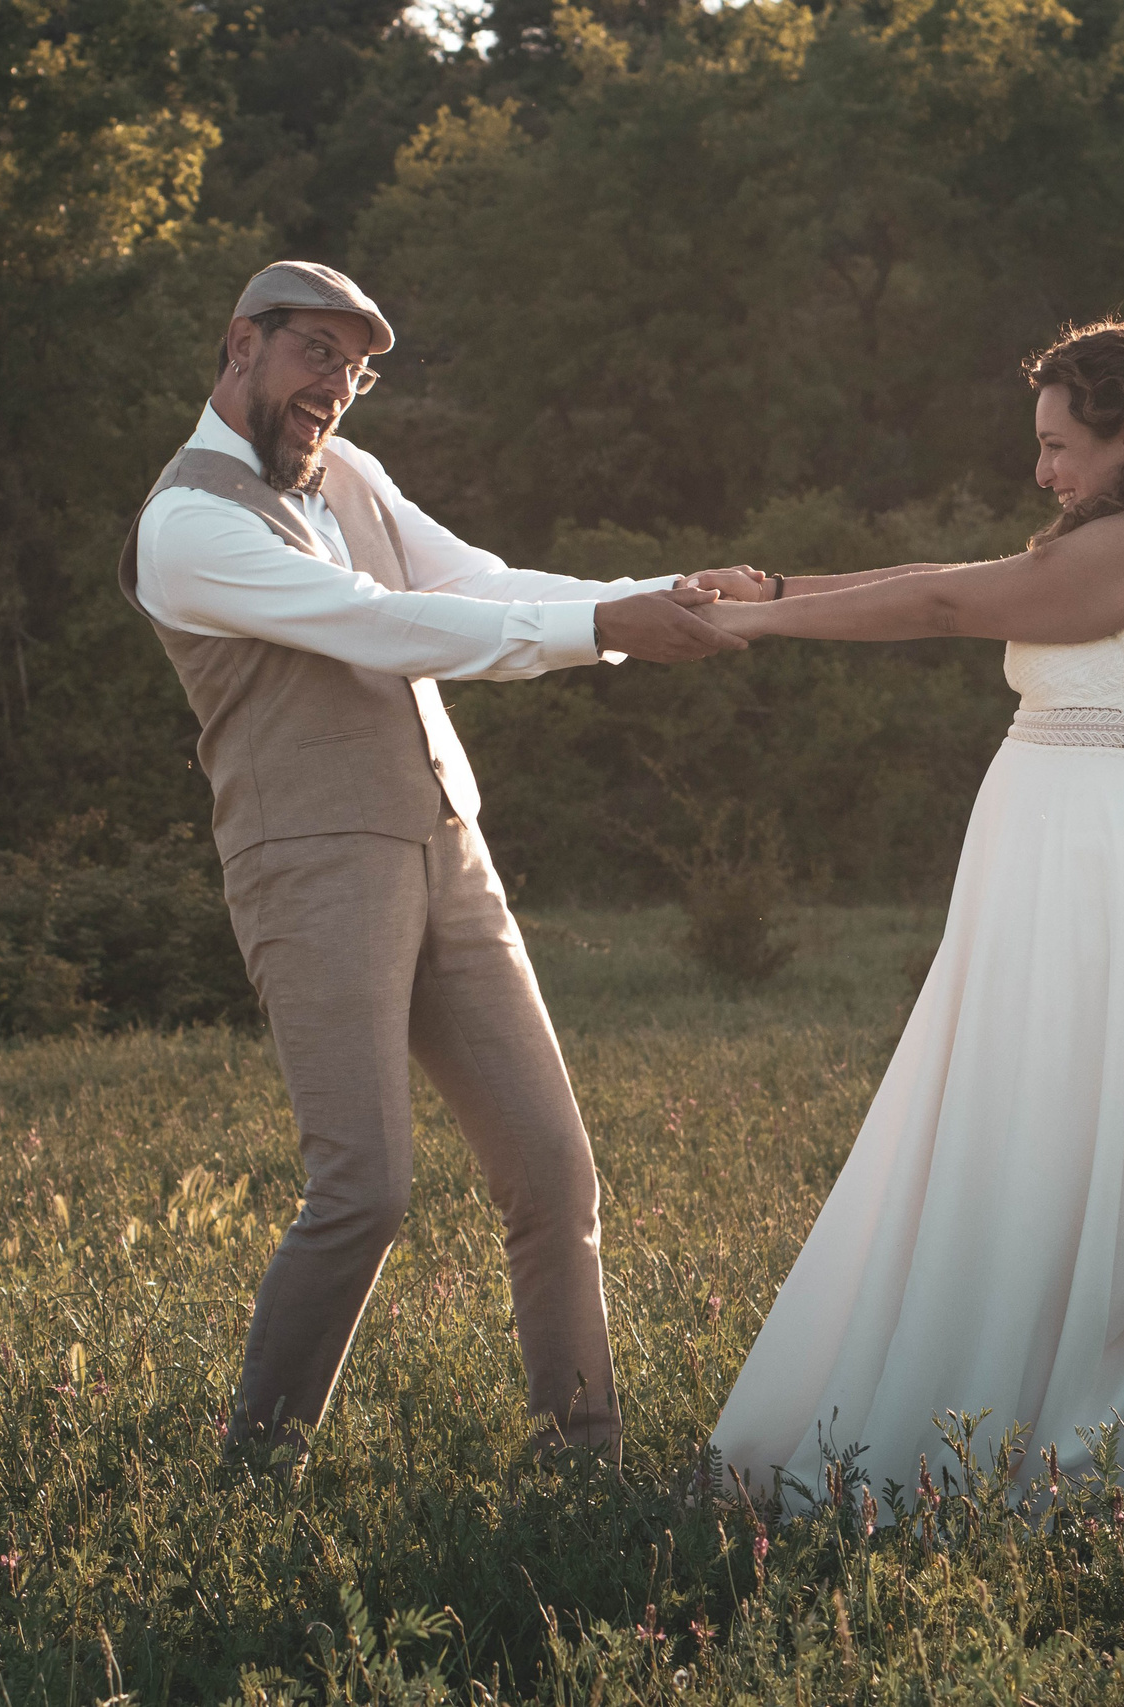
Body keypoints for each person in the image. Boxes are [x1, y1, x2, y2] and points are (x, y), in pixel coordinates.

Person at [119, 260, 744, 1467]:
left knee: (554, 1173)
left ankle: (585, 1464)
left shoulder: (344, 474)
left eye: (356, 370)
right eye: (317, 355)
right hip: (310, 861)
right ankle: (254, 1476)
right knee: (364, 1188)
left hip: (447, 846)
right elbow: (385, 626)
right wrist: (608, 628)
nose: (337, 388)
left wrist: (654, 593)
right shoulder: (186, 524)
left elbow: (476, 583)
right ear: (240, 343)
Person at [688, 317, 1124, 1511]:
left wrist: (762, 617)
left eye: (1063, 444)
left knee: (1054, 1142)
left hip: (1101, 880)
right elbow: (955, 586)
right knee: (1041, 1138)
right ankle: (1029, 1411)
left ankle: (1034, 1441)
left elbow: (943, 606)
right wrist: (770, 587)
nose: (1044, 472)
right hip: (1098, 863)